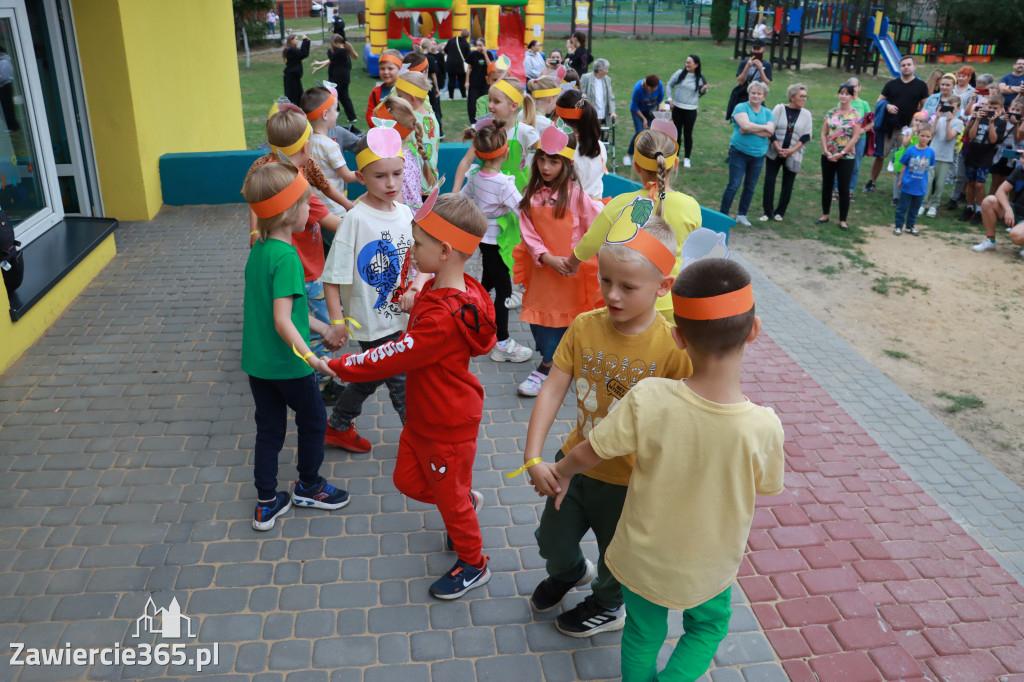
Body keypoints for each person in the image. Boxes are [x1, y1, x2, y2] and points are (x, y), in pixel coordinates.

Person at [539, 257, 784, 680]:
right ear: (755, 331)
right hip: (709, 564)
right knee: (706, 626)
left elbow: (590, 451)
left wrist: (559, 470)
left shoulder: (649, 397)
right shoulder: (763, 426)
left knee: (642, 631)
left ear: (678, 338)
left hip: (642, 556)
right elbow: (767, 486)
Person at [522, 220, 692, 637]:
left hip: (629, 483)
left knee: (616, 557)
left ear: (662, 286)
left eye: (628, 287)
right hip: (573, 466)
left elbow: (688, 421)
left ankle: (607, 604)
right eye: (605, 279)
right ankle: (570, 573)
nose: (612, 294)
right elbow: (551, 391)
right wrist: (534, 457)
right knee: (551, 542)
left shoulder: (673, 348)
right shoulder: (585, 326)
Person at [328, 192, 498, 600]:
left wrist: (336, 366)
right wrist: (417, 298)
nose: (411, 249)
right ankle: (463, 501)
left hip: (446, 423)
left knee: (450, 498)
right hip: (426, 417)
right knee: (408, 480)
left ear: (442, 251)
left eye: (417, 243)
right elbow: (434, 309)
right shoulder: (457, 289)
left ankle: (474, 563)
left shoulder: (443, 317)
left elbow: (394, 355)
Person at [240, 164, 350, 532]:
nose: (311, 211)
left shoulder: (260, 247)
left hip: (259, 365)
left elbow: (285, 313)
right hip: (290, 366)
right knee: (314, 419)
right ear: (291, 213)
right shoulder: (288, 258)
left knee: (269, 430)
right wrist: (314, 358)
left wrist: (324, 327)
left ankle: (266, 503)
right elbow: (283, 321)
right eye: (308, 204)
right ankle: (309, 486)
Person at [321, 128, 422, 453]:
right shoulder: (356, 220)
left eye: (397, 173)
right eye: (380, 176)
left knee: (369, 376)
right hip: (371, 322)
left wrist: (417, 287)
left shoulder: (406, 213)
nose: (391, 183)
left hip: (403, 320)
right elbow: (332, 277)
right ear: (361, 177)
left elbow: (420, 262)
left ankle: (336, 426)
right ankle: (423, 446)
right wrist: (337, 322)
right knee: (401, 382)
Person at [246, 109, 346, 401]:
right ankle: (321, 381)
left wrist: (254, 234)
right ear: (306, 146)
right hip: (308, 269)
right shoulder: (296, 187)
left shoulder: (268, 172)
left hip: (283, 261)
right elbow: (334, 224)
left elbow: (254, 202)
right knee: (315, 323)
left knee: (296, 316)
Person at [568, 126, 701, 322]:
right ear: (676, 164)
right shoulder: (691, 207)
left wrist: (571, 263)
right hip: (674, 301)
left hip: (630, 304)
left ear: (636, 166)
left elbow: (590, 242)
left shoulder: (620, 204)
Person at [513, 126, 603, 397]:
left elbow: (595, 227)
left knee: (564, 323)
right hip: (542, 273)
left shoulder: (576, 196)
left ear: (566, 163)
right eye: (542, 159)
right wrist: (547, 257)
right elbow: (527, 232)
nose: (545, 166)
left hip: (569, 275)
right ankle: (554, 359)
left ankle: (547, 367)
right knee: (539, 324)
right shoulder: (531, 194)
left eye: (553, 161)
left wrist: (577, 260)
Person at [460, 122, 533, 365]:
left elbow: (464, 198)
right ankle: (502, 343)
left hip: (483, 241)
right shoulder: (504, 183)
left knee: (485, 285)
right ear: (505, 153)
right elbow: (523, 210)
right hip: (499, 243)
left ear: (479, 154)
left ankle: (470, 320)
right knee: (503, 292)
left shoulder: (473, 175)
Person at [863, 56, 929, 194]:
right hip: (889, 127)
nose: (906, 67)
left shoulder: (921, 85)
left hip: (909, 129)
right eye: (903, 65)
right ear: (900, 68)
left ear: (914, 66)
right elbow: (879, 101)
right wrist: (887, 106)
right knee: (880, 155)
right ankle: (871, 182)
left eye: (909, 64)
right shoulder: (891, 84)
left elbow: (925, 108)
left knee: (907, 158)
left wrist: (917, 125)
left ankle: (903, 186)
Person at [298, 87, 358, 229]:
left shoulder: (306, 143)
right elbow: (348, 176)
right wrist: (367, 174)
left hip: (316, 210)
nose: (337, 114)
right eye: (335, 109)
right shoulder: (330, 145)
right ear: (325, 114)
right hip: (335, 211)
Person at [720, 81, 773, 227]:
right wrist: (762, 129)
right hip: (739, 152)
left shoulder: (768, 112)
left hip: (759, 155)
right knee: (734, 184)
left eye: (759, 93)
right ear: (749, 94)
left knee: (750, 186)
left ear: (764, 96)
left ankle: (742, 215)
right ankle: (723, 214)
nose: (755, 96)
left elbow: (771, 131)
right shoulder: (740, 107)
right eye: (753, 93)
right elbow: (744, 126)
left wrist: (750, 128)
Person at [761, 83, 812, 223]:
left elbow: (806, 136)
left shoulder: (806, 114)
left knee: (788, 183)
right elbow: (770, 128)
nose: (804, 99)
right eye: (801, 96)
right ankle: (767, 211)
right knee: (770, 180)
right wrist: (777, 147)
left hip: (793, 154)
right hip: (774, 151)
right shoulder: (779, 109)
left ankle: (780, 212)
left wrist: (791, 150)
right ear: (792, 97)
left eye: (805, 97)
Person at [372, 95, 433, 209]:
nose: (373, 130)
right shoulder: (411, 150)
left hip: (403, 219)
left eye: (377, 125)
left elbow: (397, 201)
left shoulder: (393, 159)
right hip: (414, 215)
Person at [816, 83, 862, 232]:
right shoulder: (831, 112)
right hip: (828, 155)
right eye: (841, 93)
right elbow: (824, 133)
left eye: (846, 93)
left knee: (843, 188)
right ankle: (825, 214)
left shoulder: (855, 114)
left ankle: (843, 220)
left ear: (851, 96)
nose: (843, 96)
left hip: (846, 157)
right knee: (827, 185)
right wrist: (826, 150)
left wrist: (842, 153)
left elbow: (855, 137)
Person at [960, 93, 1007, 224]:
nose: (992, 110)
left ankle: (980, 210)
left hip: (986, 157)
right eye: (990, 107)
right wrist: (977, 120)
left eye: (995, 107)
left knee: (980, 184)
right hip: (973, 153)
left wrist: (992, 124)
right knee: (971, 182)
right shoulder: (980, 118)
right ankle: (969, 208)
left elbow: (993, 141)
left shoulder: (1001, 123)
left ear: (1001, 108)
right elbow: (971, 135)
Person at [394, 69, 441, 193]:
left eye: (399, 96)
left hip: (413, 186)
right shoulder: (432, 117)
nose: (397, 99)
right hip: (431, 183)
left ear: (412, 98)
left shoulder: (406, 121)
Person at [555, 89, 606, 199]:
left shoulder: (562, 149)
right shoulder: (600, 146)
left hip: (570, 211)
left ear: (561, 120)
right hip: (596, 210)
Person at [973, 147, 1024, 254]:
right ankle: (990, 241)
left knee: (1015, 235)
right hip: (1018, 211)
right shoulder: (1019, 170)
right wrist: (1008, 209)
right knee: (989, 201)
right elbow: (1000, 191)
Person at [921, 94, 964, 217]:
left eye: (953, 107)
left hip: (945, 157)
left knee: (939, 184)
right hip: (933, 154)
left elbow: (949, 137)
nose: (950, 109)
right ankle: (923, 204)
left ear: (958, 108)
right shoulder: (939, 120)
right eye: (949, 106)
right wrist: (937, 118)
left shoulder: (959, 123)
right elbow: (931, 133)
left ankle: (934, 205)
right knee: (928, 181)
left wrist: (949, 122)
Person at [666, 55, 708, 169]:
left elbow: (703, 90)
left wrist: (703, 90)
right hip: (677, 108)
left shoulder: (699, 77)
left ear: (696, 65)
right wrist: (669, 99)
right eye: (686, 62)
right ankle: (676, 157)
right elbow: (669, 85)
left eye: (690, 63)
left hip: (690, 110)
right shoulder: (679, 73)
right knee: (677, 134)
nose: (687, 65)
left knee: (688, 134)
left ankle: (687, 158)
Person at [893, 124, 935, 236]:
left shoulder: (931, 152)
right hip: (907, 183)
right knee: (902, 207)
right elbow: (903, 166)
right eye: (922, 135)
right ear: (917, 135)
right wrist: (901, 180)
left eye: (927, 136)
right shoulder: (910, 150)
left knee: (915, 208)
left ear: (931, 138)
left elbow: (928, 168)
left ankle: (910, 226)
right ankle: (898, 226)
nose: (924, 138)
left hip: (920, 185)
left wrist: (926, 184)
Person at [310, 35, 359, 124]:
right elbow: (331, 60)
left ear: (337, 43)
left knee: (340, 97)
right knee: (342, 97)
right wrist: (319, 63)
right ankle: (349, 116)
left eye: (333, 43)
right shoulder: (343, 51)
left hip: (340, 79)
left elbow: (330, 59)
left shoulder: (340, 52)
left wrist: (318, 67)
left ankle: (349, 116)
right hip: (343, 78)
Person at [725, 39, 772, 121]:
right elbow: (740, 81)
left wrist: (761, 69)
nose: (756, 51)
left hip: (758, 94)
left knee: (757, 118)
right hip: (744, 94)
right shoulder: (744, 63)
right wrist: (747, 67)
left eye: (758, 49)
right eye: (754, 48)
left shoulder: (767, 65)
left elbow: (766, 83)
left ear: (763, 49)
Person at [624, 75, 663, 167]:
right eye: (651, 89)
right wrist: (644, 119)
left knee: (650, 132)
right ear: (646, 85)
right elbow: (634, 106)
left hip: (651, 110)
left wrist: (658, 114)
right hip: (638, 111)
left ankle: (645, 157)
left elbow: (660, 101)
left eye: (655, 88)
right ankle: (628, 156)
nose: (654, 90)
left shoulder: (659, 85)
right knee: (639, 132)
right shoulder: (638, 89)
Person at [365, 49, 402, 127]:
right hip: (380, 132)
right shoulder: (376, 92)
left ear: (400, 69)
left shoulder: (404, 91)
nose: (385, 72)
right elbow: (370, 114)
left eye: (390, 68)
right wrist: (379, 127)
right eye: (382, 68)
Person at [581, 59, 617, 136]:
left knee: (603, 141)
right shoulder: (586, 78)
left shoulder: (607, 79)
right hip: (590, 117)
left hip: (603, 117)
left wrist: (612, 112)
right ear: (600, 70)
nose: (607, 71)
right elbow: (580, 95)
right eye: (606, 69)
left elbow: (610, 97)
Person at [421, 39, 446, 139]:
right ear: (428, 46)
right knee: (435, 109)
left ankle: (425, 131)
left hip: (420, 86)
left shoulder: (419, 57)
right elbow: (434, 75)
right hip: (429, 86)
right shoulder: (430, 58)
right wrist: (436, 88)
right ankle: (439, 132)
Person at [466, 39, 492, 125]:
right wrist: (467, 81)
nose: (479, 47)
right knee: (473, 103)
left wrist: (484, 53)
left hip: (485, 84)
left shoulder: (489, 54)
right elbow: (469, 68)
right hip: (474, 83)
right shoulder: (473, 54)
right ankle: (473, 122)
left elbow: (490, 66)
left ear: (484, 45)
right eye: (477, 45)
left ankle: (485, 121)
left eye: (480, 45)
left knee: (485, 102)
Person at [283, 35, 311, 106]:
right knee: (293, 98)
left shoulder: (293, 49)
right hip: (291, 77)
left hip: (295, 76)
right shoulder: (291, 50)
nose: (297, 40)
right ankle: (294, 114)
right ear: (291, 40)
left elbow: (304, 54)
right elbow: (303, 53)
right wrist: (305, 40)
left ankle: (299, 113)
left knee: (300, 96)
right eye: (296, 39)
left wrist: (307, 42)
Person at [444, 30, 471, 99]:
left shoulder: (452, 40)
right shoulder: (466, 44)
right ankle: (464, 96)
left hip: (450, 63)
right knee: (461, 81)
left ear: (461, 34)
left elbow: (445, 49)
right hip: (461, 64)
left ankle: (451, 97)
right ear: (467, 36)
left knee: (451, 80)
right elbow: (468, 55)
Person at [0, 44, 17, 132]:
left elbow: (4, 77)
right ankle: (10, 125)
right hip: (2, 87)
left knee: (7, 107)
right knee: (4, 107)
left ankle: (12, 126)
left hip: (5, 87)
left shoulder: (4, 62)